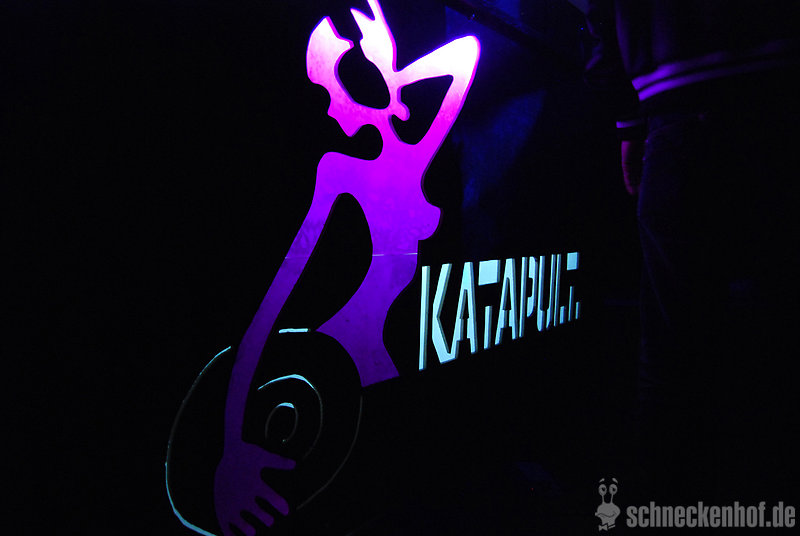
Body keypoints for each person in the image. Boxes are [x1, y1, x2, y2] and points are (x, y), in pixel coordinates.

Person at [584, 0, 799, 504]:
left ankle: (667, 503)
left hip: (675, 119)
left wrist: (628, 123)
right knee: (782, 327)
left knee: (670, 345)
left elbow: (600, 21)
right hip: (780, 103)